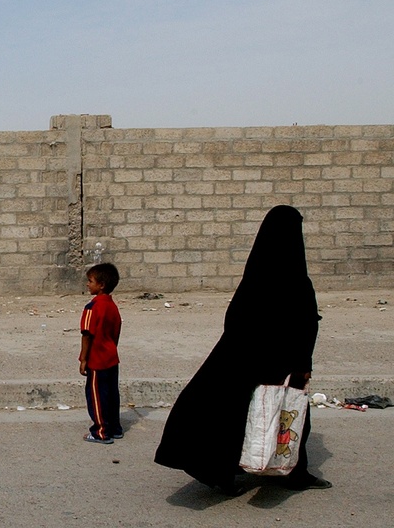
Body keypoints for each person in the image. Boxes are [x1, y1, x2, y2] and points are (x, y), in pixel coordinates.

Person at [154, 205, 331, 494]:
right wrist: (303, 363)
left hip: (243, 358)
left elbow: (234, 319)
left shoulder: (256, 273)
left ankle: (223, 474)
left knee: (233, 415)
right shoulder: (296, 278)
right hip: (283, 362)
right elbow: (305, 324)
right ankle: (293, 473)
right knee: (290, 414)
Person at [79, 262, 124, 444]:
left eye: (90, 281)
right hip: (111, 357)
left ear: (101, 285)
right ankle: (115, 428)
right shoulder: (112, 306)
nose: (88, 284)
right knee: (112, 394)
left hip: (97, 360)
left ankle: (100, 431)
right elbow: (116, 331)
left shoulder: (92, 307)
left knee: (96, 396)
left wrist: (83, 359)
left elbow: (86, 335)